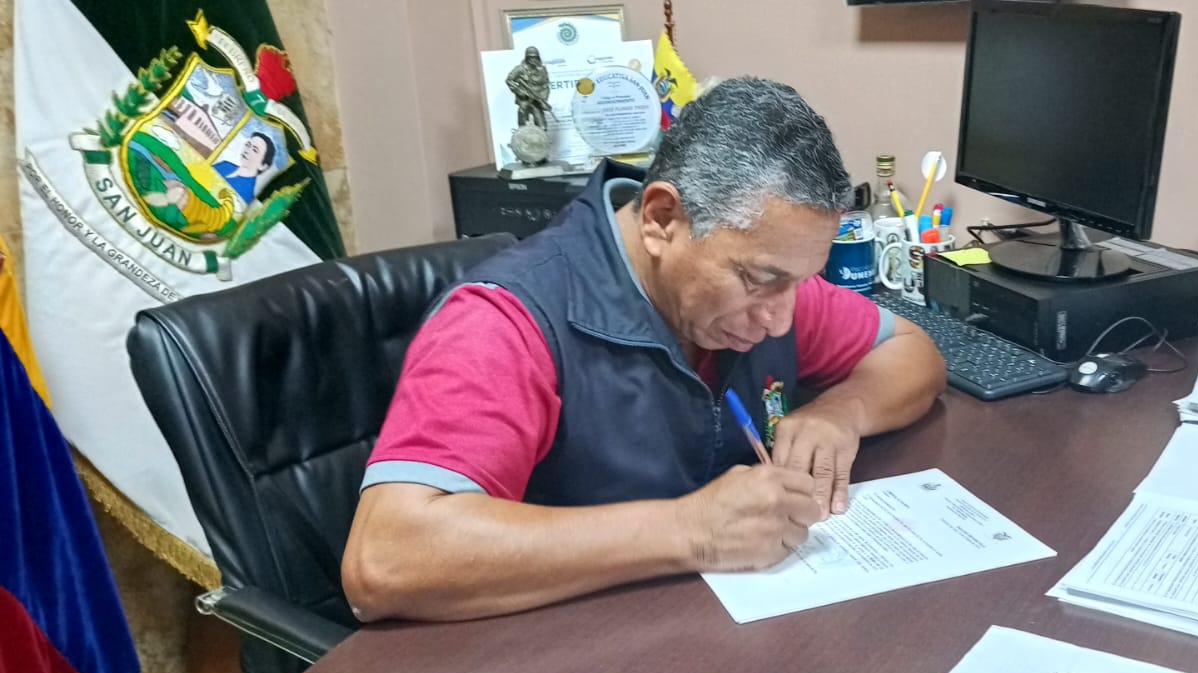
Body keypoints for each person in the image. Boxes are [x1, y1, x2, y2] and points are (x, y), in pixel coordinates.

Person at [342, 78, 946, 622]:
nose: (781, 317)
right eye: (759, 280)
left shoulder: (766, 277)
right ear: (661, 219)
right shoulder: (504, 321)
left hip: (702, 628)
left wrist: (841, 412)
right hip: (552, 650)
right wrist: (689, 531)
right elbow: (385, 558)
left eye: (800, 281)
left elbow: (912, 351)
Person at [213, 132, 275, 200]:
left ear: (263, 166)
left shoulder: (246, 194)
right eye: (247, 145)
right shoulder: (225, 165)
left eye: (255, 150)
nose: (247, 150)